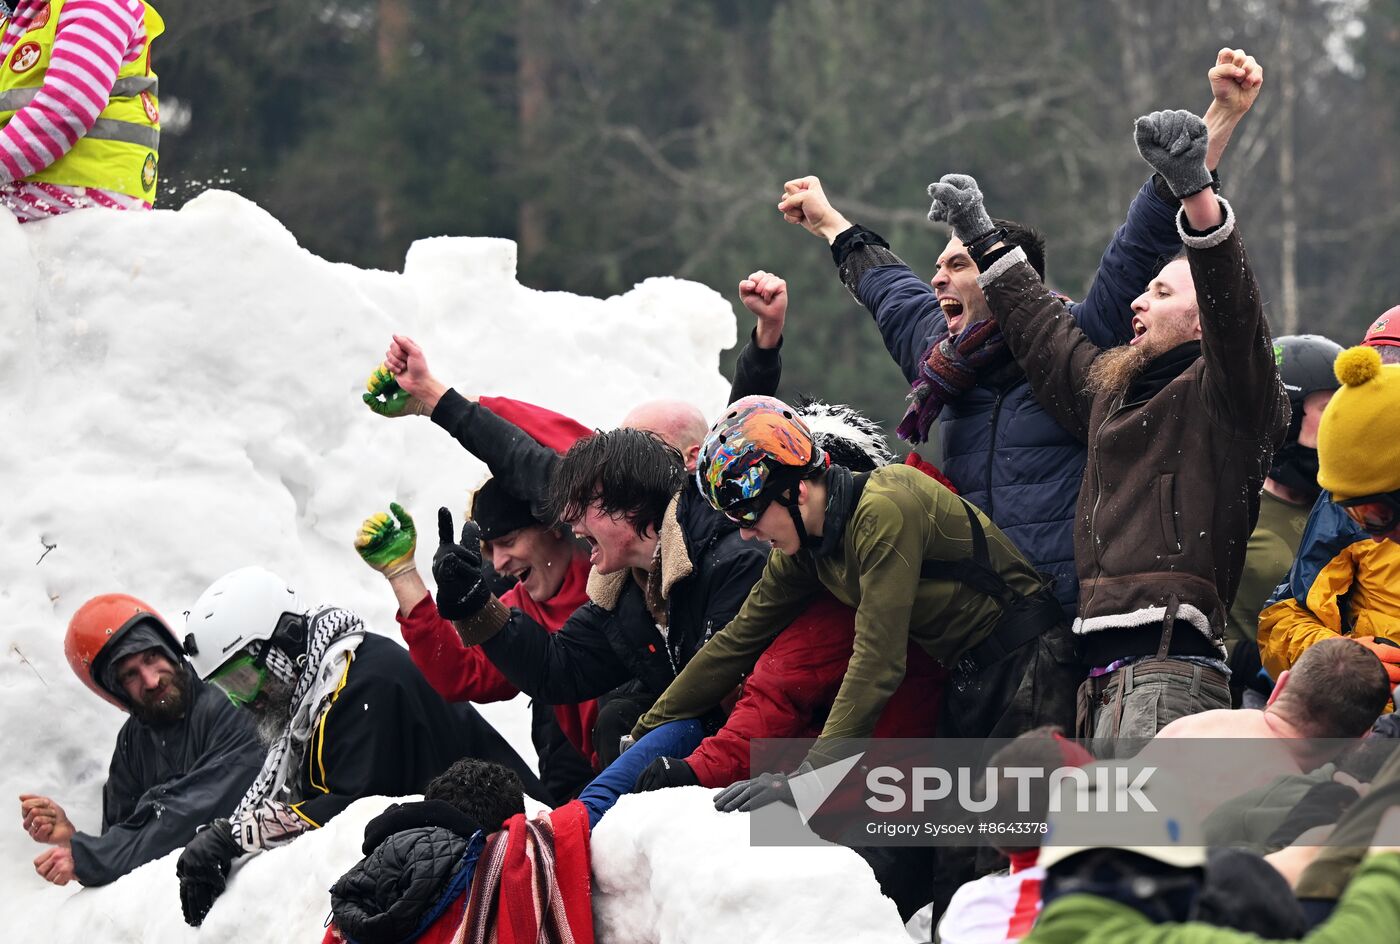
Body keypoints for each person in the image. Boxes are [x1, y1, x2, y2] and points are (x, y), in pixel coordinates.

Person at [775, 49, 1262, 617]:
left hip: (1065, 615)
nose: (938, 278)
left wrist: (1219, 118)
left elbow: (1142, 241)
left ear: (1009, 277)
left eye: (960, 264)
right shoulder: (942, 357)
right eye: (939, 265)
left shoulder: (1080, 341)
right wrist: (829, 220)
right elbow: (889, 291)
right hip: (977, 629)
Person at [927, 107, 1289, 740]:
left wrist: (1195, 193)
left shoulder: (1232, 396)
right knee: (1099, 840)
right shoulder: (1110, 391)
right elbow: (1044, 335)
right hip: (1092, 679)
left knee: (1151, 839)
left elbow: (1234, 306)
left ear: (1204, 322)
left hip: (1169, 669)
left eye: (1164, 294)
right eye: (1145, 291)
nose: (1138, 301)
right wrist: (981, 234)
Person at [632, 395, 1081, 786]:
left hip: (1027, 662)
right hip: (971, 674)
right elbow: (736, 641)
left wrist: (806, 782)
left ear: (799, 490)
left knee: (1011, 841)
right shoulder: (805, 547)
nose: (746, 534)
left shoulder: (883, 509)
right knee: (955, 862)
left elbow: (878, 661)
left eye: (748, 514)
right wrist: (644, 732)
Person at [173, 566, 542, 927]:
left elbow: (350, 809)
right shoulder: (316, 694)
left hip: (510, 855)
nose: (244, 701)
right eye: (228, 688)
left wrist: (236, 837)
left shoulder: (361, 687)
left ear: (284, 643)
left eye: (245, 679)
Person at [426, 427, 768, 764]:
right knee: (620, 720)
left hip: (792, 763)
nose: (570, 523)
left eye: (582, 504)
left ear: (629, 501)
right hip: (735, 764)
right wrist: (475, 606)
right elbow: (556, 669)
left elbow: (727, 696)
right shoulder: (625, 589)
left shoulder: (734, 560)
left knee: (635, 728)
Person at [323, 722, 704, 944]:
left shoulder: (357, 890)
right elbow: (604, 793)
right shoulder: (503, 859)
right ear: (501, 831)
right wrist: (694, 724)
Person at [357, 485, 596, 803]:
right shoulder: (521, 606)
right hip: (591, 773)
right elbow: (463, 673)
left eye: (508, 542)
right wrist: (402, 574)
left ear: (553, 527)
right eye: (490, 549)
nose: (498, 563)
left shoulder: (618, 573)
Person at [19, 593, 262, 888]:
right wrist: (73, 839)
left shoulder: (230, 700)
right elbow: (126, 836)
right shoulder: (132, 741)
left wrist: (91, 856)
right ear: (116, 691)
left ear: (170, 650)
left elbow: (193, 811)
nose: (151, 680)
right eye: (130, 675)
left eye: (151, 658)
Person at [1258, 330, 1400, 690]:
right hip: (1375, 725)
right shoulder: (1351, 488)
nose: (1377, 532)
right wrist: (1349, 663)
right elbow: (1284, 618)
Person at [1226, 334, 1344, 687]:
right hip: (1242, 697)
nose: (1342, 422)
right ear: (1286, 415)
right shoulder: (1229, 504)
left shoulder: (1352, 511)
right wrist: (1243, 660)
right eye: (1330, 410)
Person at [0, 0, 164, 221]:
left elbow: (66, 109)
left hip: (84, 194)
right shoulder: (18, 15)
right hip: (39, 187)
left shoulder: (98, 4)